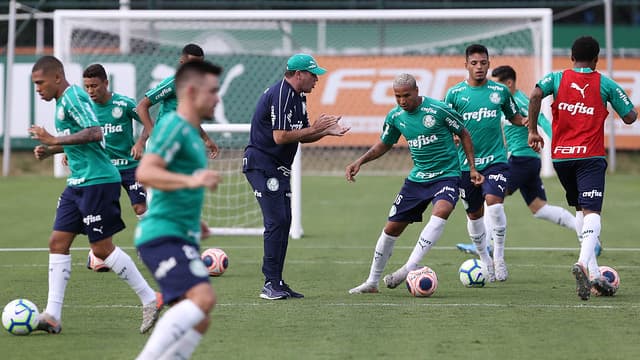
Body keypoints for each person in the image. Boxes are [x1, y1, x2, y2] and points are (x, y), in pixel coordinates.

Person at [28, 55, 160, 334]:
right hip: (78, 183)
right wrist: (51, 150)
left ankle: (150, 299)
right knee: (57, 242)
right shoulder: (64, 101)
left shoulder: (73, 97)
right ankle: (52, 314)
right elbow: (80, 140)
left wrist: (53, 139)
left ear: (56, 77)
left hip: (98, 181)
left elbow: (95, 133)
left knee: (101, 249)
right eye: (34, 84)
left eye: (40, 83)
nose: (37, 89)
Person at [348, 74, 483, 294]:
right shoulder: (395, 117)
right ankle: (372, 282)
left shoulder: (438, 110)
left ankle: (409, 267)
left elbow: (464, 133)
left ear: (417, 91)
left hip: (446, 175)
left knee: (443, 209)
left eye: (406, 95)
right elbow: (385, 143)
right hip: (418, 179)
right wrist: (360, 161)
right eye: (397, 96)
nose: (402, 101)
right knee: (391, 228)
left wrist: (473, 168)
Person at [528, 36, 637, 300]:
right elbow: (631, 116)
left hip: (562, 158)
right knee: (592, 211)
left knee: (580, 208)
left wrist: (532, 130)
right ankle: (582, 264)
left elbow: (534, 94)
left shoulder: (556, 78)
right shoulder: (604, 83)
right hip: (590, 157)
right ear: (597, 59)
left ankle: (595, 271)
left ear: (571, 57)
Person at [134, 60, 223, 359]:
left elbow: (169, 184)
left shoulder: (191, 135)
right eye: (213, 91)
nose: (217, 98)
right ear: (192, 91)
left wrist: (194, 220)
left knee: (201, 317)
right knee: (203, 298)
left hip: (180, 233)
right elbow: (145, 173)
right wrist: (193, 179)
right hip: (161, 234)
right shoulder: (172, 126)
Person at [243, 53, 350, 300]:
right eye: (313, 75)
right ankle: (270, 283)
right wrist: (315, 128)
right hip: (263, 165)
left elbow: (302, 134)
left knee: (284, 221)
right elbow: (279, 136)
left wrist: (325, 132)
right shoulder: (281, 93)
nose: (316, 80)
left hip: (278, 168)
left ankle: (277, 281)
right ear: (299, 74)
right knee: (276, 221)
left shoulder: (298, 96)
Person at [456, 65, 592, 256]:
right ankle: (588, 237)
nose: (491, 88)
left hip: (520, 160)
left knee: (491, 196)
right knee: (540, 208)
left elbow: (542, 120)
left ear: (509, 83)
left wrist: (560, 145)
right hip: (527, 162)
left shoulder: (520, 102)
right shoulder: (501, 103)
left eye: (496, 84)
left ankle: (486, 244)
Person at [444, 44, 525, 282]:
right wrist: (452, 135)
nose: (479, 67)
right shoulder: (454, 94)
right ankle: (485, 260)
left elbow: (515, 118)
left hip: (496, 161)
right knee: (474, 215)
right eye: (474, 63)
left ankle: (499, 257)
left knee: (495, 204)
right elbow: (445, 125)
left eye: (483, 63)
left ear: (489, 64)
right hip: (466, 165)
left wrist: (531, 124)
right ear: (466, 65)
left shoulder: (500, 91)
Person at [83, 63, 151, 218]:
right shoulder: (86, 108)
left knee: (140, 208)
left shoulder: (124, 103)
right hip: (103, 169)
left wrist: (140, 142)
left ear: (106, 83)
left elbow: (148, 123)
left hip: (130, 166)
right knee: (102, 213)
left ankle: (157, 239)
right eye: (86, 87)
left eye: (94, 86)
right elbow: (81, 134)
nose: (90, 91)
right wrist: (69, 150)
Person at [136, 43, 219, 158]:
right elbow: (142, 106)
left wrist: (206, 139)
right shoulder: (173, 83)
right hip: (164, 140)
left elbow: (189, 118)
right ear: (182, 62)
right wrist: (153, 135)